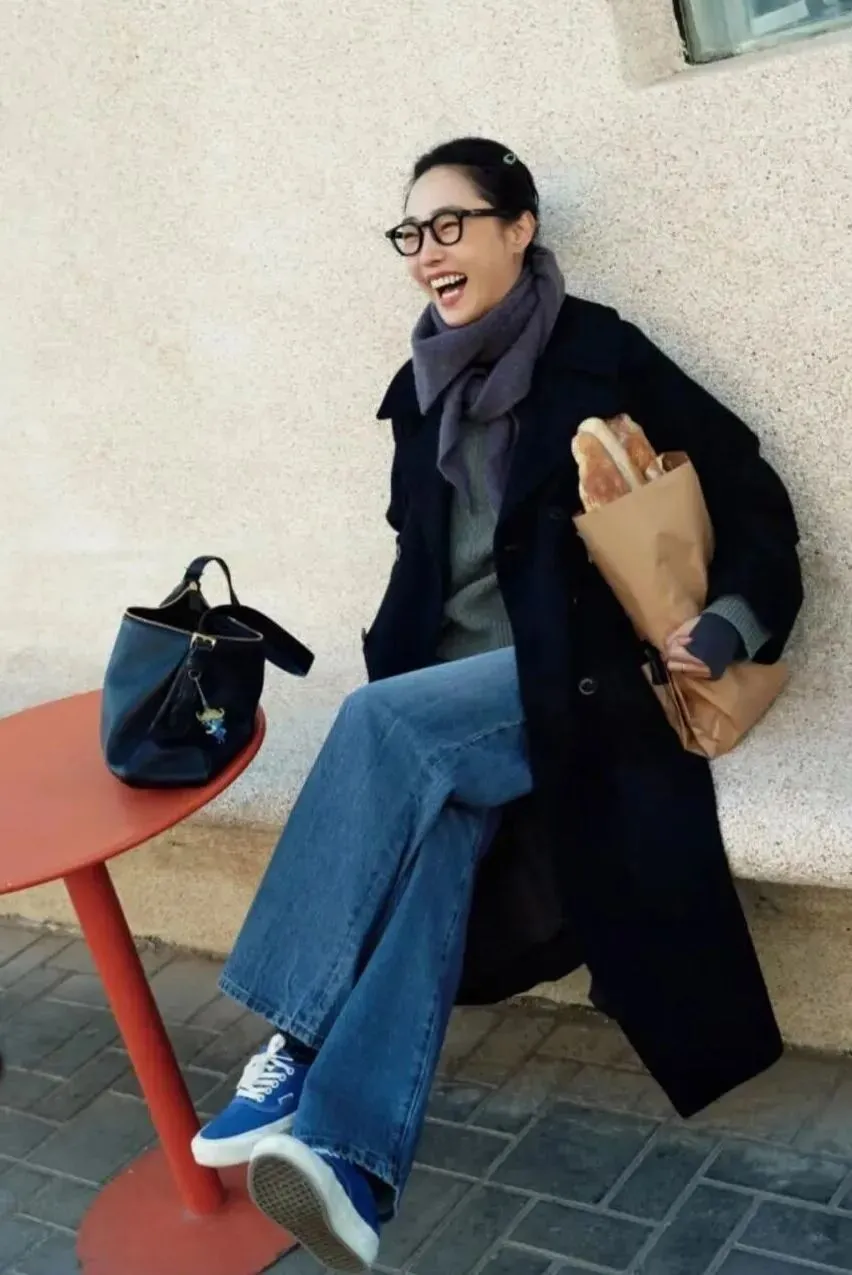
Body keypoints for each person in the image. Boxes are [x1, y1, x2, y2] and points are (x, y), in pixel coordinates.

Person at [191, 138, 803, 1271]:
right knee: (434, 837)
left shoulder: (603, 356)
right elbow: (420, 559)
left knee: (376, 723)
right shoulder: (420, 394)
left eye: (452, 224)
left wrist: (729, 623)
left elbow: (754, 496)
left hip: (581, 682)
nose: (428, 252)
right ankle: (350, 1165)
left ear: (519, 230)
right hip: (452, 705)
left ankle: (295, 1033)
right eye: (410, 233)